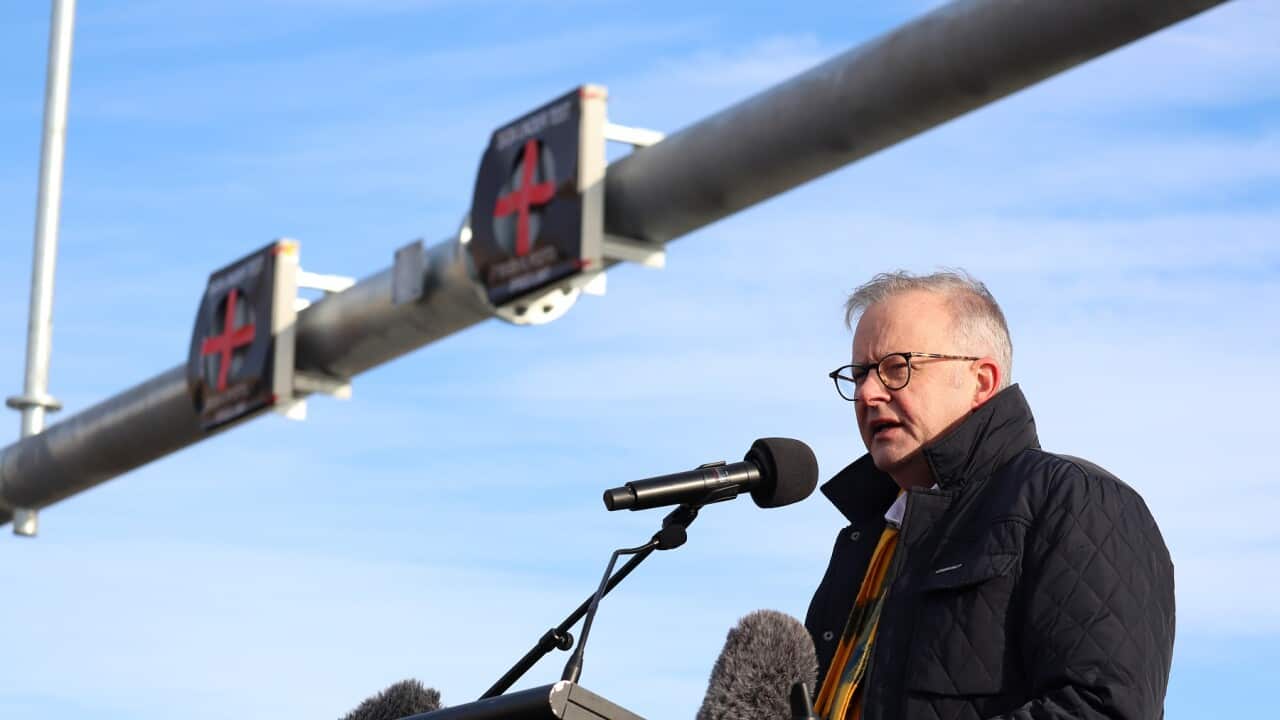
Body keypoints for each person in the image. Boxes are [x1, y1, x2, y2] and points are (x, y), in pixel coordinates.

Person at [805, 270, 1174, 720]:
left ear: (981, 380)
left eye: (896, 368)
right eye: (859, 373)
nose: (867, 392)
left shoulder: (1075, 501)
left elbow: (1103, 709)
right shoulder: (866, 542)